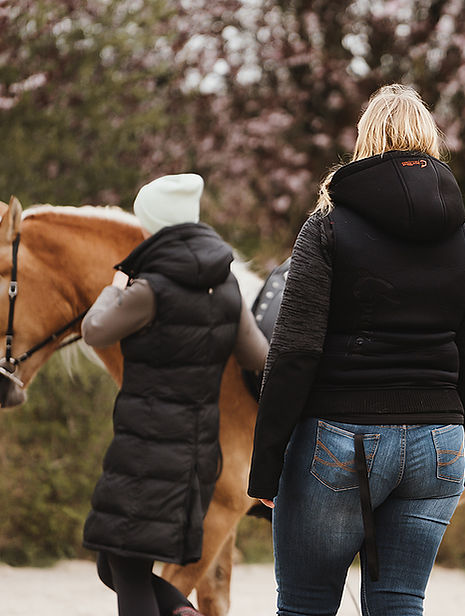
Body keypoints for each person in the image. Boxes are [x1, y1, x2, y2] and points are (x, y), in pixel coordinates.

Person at [247, 84, 465, 615]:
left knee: (306, 606)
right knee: (400, 603)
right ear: (429, 140)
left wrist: (266, 464)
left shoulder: (327, 227)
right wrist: (462, 444)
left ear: (365, 140)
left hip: (339, 439)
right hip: (440, 443)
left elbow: (294, 352)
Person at [81, 173, 269, 616]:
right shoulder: (225, 286)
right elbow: (258, 355)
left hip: (147, 453)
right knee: (114, 566)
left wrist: (113, 289)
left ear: (154, 225)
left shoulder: (150, 289)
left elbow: (94, 330)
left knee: (126, 570)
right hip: (198, 456)